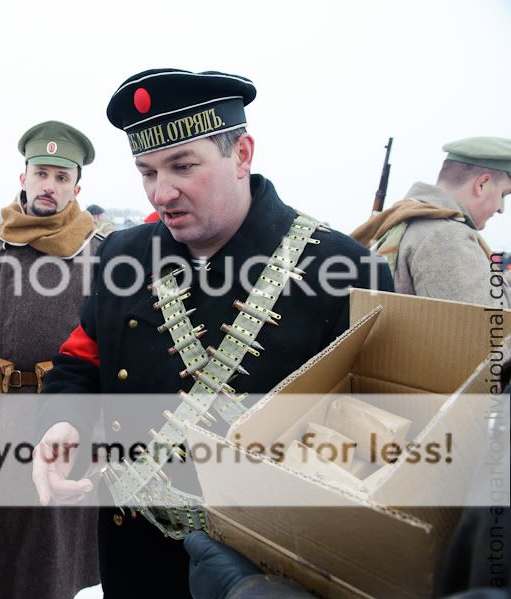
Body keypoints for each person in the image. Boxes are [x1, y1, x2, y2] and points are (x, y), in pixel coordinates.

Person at [31, 68, 394, 598]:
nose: (162, 192)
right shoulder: (126, 253)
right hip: (134, 553)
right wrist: (61, 422)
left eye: (183, 166)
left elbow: (376, 436)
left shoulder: (345, 269)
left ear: (242, 153)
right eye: (147, 171)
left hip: (265, 571)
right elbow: (80, 361)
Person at [0, 120, 101, 599]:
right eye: (42, 172)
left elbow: (106, 352)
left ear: (76, 187)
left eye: (62, 177)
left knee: (44, 560)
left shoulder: (99, 256)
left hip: (54, 422)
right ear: (24, 177)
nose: (50, 185)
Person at [352, 137, 511, 307]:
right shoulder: (446, 236)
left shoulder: (406, 220)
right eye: (503, 194)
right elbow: (483, 326)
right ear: (482, 184)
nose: (501, 208)